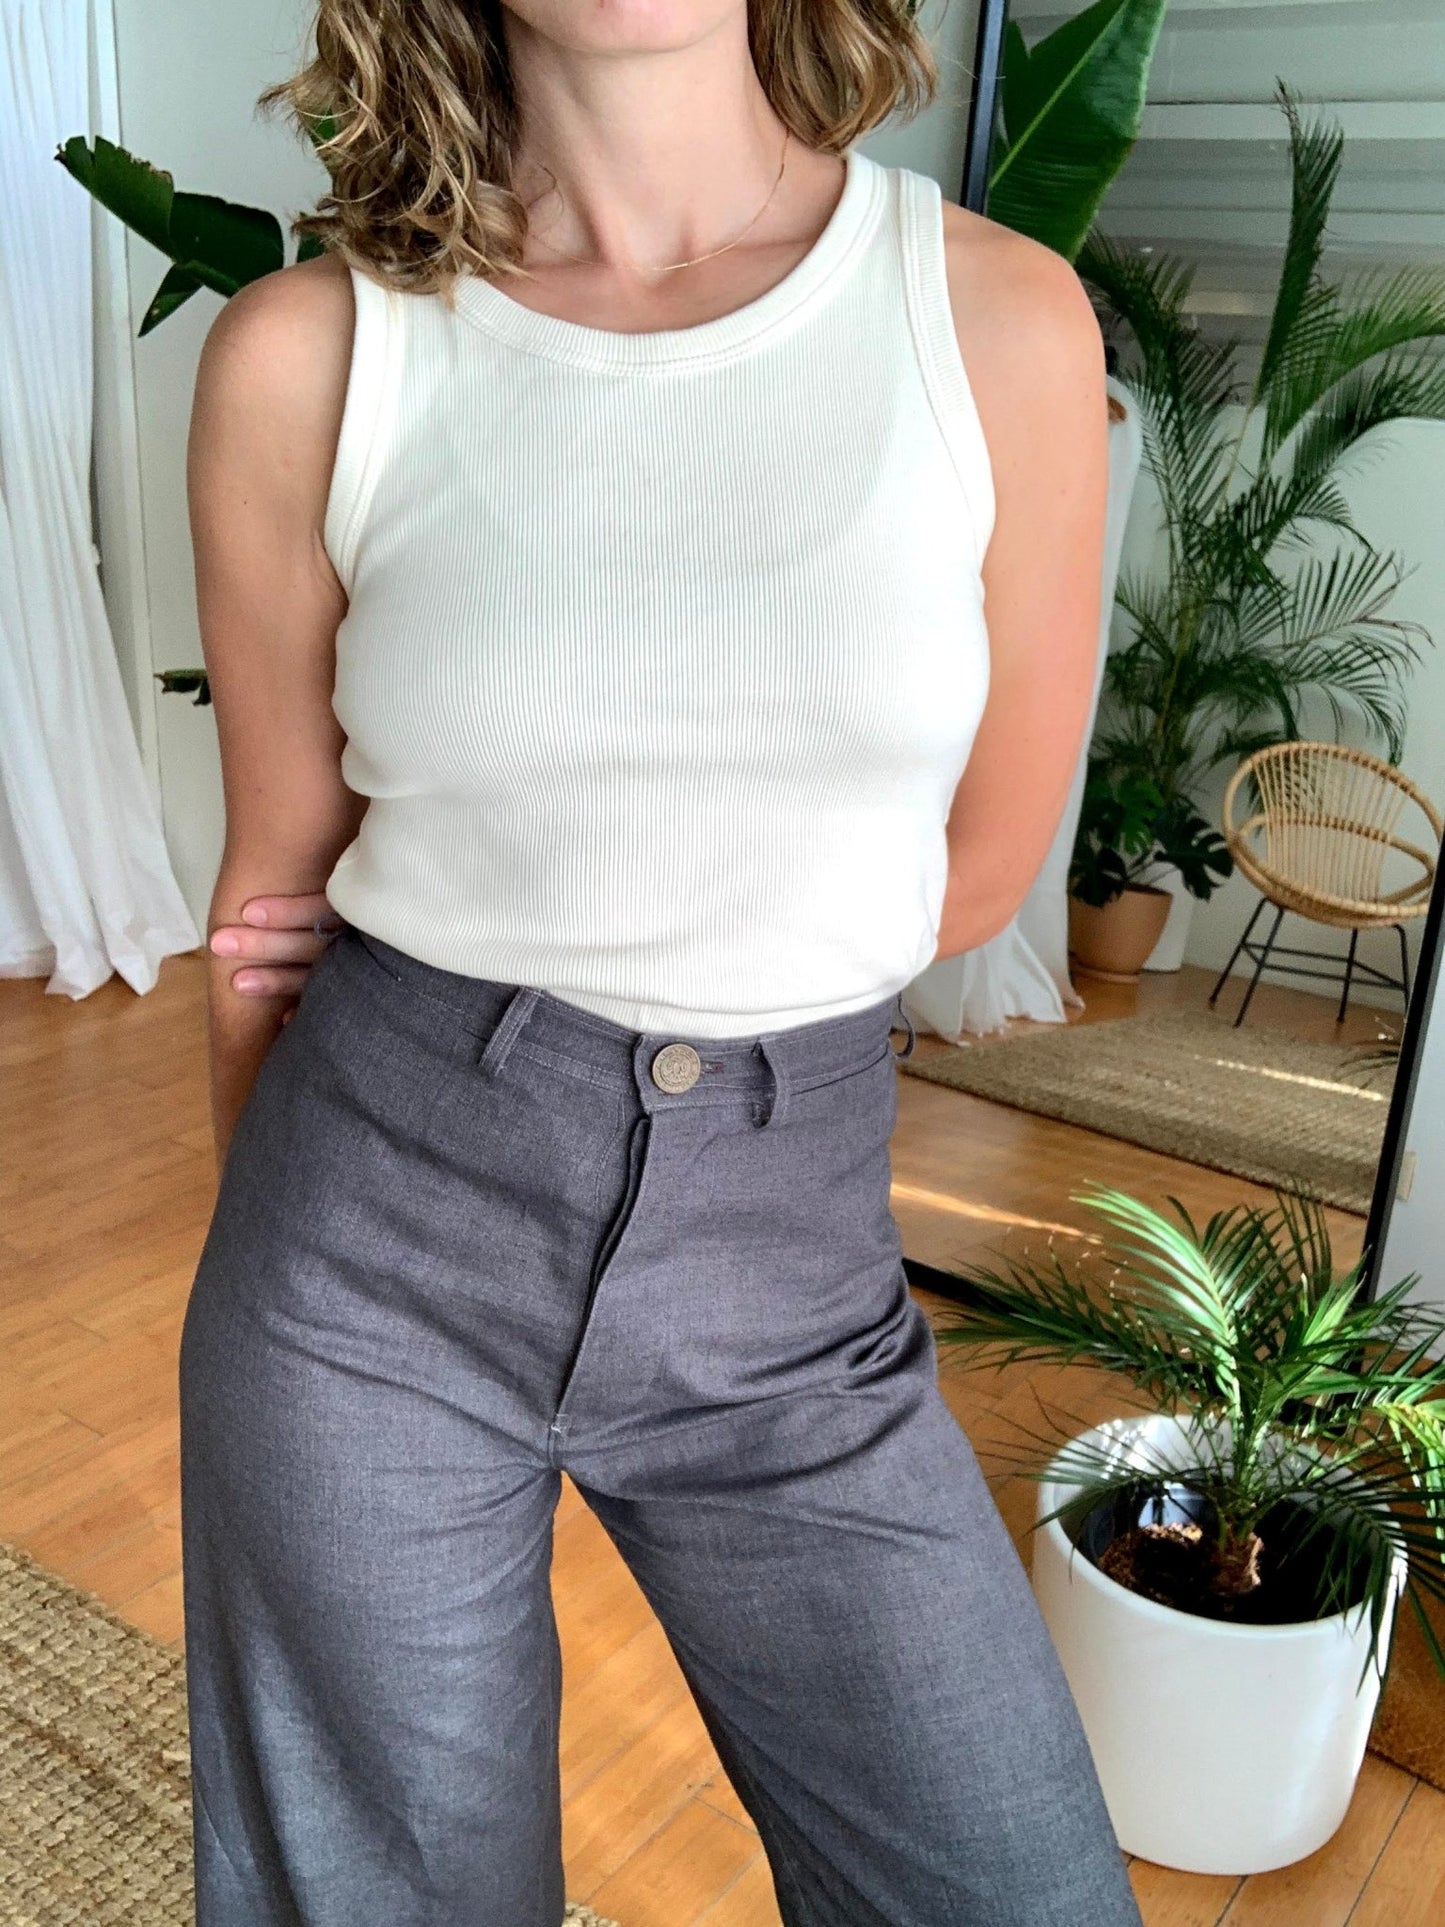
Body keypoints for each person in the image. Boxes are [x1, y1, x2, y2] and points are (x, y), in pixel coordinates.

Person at [181, 2, 1140, 1922]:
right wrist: (289, 1255)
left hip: (792, 1280)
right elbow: (273, 905)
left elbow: (967, 873)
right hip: (368, 1258)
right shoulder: (311, 353)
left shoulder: (996, 321)